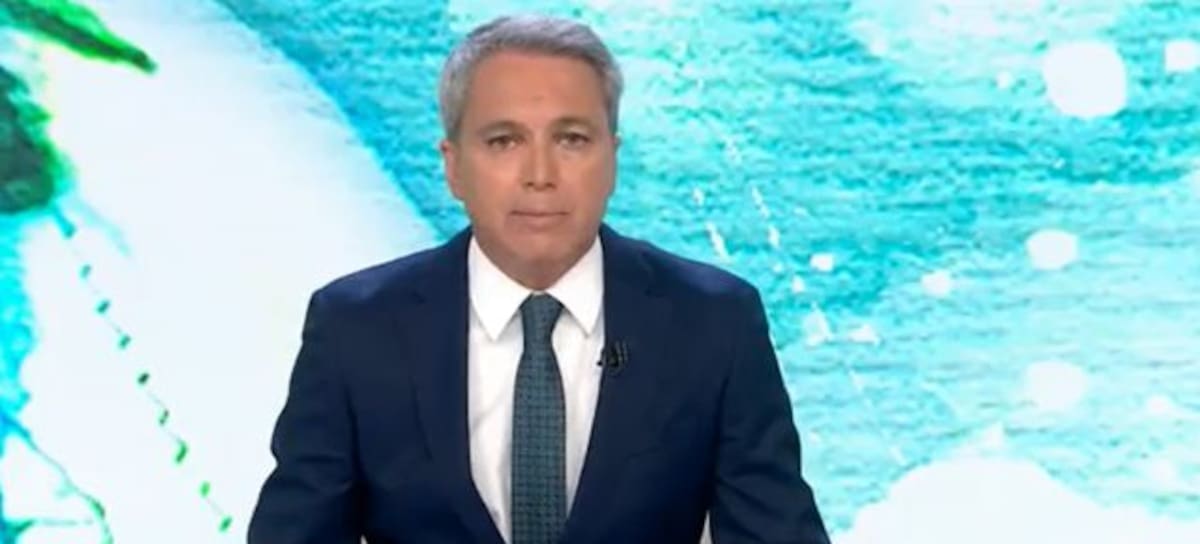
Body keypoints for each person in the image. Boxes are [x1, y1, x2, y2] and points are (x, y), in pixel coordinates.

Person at [247, 13, 829, 544]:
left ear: (612, 158)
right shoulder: (357, 327)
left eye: (571, 140)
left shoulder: (713, 322)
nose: (540, 175)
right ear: (453, 166)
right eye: (504, 141)